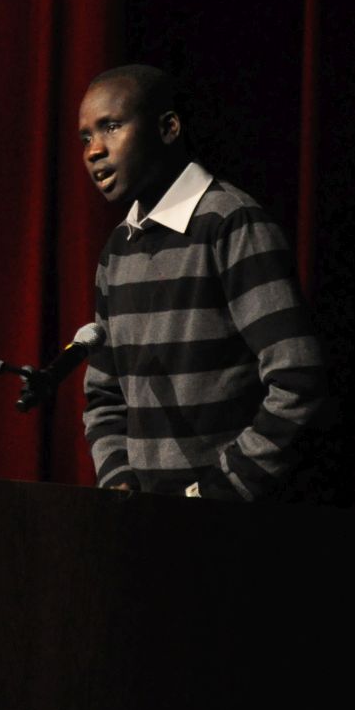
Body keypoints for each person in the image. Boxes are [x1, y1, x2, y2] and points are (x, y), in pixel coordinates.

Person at [76, 65, 329, 500]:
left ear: (168, 128)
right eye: (85, 138)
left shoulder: (231, 224)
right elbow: (104, 396)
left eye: (112, 127)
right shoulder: (117, 250)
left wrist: (216, 493)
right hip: (143, 523)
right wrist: (118, 479)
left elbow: (299, 380)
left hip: (226, 523)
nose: (95, 150)